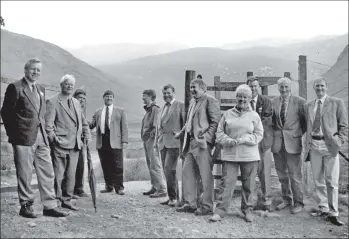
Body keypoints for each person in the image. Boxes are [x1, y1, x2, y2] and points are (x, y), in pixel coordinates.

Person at [1, 58, 68, 218]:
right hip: (22, 138)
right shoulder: (15, 88)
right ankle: (26, 205)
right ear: (26, 70)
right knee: (24, 173)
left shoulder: (41, 89)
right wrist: (14, 135)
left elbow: (41, 114)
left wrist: (45, 133)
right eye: (33, 69)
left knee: (48, 171)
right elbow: (6, 113)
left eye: (38, 70)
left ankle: (49, 206)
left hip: (41, 137)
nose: (36, 72)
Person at [209, 84, 263, 223]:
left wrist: (246, 139)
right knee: (227, 183)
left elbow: (259, 134)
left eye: (245, 97)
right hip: (230, 154)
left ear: (250, 98)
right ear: (236, 97)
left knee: (249, 184)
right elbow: (219, 132)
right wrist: (228, 140)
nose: (242, 99)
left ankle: (247, 210)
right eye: (239, 96)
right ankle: (220, 211)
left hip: (249, 155)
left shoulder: (254, 115)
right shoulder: (227, 114)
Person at [303, 77, 348, 226]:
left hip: (329, 147)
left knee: (332, 181)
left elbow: (344, 126)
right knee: (318, 180)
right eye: (317, 86)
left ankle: (334, 213)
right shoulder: (309, 105)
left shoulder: (336, 103)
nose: (319, 89)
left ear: (326, 87)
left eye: (322, 86)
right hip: (314, 146)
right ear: (314, 88)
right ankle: (323, 208)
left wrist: (339, 142)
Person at [45, 74, 91, 211]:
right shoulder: (53, 102)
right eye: (67, 84)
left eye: (72, 84)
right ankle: (57, 202)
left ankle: (67, 200)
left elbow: (83, 122)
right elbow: (48, 125)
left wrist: (87, 135)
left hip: (75, 146)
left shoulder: (76, 103)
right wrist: (54, 140)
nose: (70, 86)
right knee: (58, 175)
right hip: (60, 145)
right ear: (61, 86)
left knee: (71, 176)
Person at [175, 78, 220, 216]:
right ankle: (190, 203)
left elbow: (215, 123)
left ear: (203, 88)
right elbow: (189, 122)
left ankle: (207, 206)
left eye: (195, 87)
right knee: (187, 171)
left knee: (205, 175)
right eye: (191, 87)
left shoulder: (210, 100)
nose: (192, 90)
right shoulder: (193, 101)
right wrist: (182, 132)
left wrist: (205, 139)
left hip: (202, 144)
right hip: (190, 143)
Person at [271, 77, 306, 214]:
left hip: (293, 142)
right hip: (278, 143)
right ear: (278, 88)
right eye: (281, 87)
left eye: (286, 87)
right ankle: (287, 199)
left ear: (290, 87)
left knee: (295, 174)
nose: (284, 89)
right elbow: (273, 122)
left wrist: (295, 134)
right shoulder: (273, 102)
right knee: (282, 174)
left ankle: (299, 202)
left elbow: (304, 123)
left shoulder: (300, 102)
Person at [89, 90, 128, 195]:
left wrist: (124, 141)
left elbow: (124, 127)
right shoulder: (98, 112)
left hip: (116, 142)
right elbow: (91, 125)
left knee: (118, 165)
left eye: (111, 97)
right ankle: (109, 186)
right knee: (105, 165)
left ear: (113, 98)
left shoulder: (120, 111)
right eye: (107, 96)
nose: (109, 98)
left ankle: (119, 187)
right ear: (103, 98)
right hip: (102, 141)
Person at [155, 84, 185, 206]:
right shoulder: (161, 109)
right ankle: (171, 196)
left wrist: (180, 134)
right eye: (164, 93)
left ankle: (174, 198)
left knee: (169, 169)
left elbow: (185, 123)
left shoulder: (180, 105)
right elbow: (159, 127)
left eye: (168, 92)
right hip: (163, 143)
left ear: (174, 93)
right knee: (166, 170)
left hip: (174, 142)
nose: (166, 95)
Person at [246, 76, 273, 211]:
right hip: (249, 145)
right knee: (251, 173)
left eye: (255, 86)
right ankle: (251, 202)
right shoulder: (244, 102)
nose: (253, 89)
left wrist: (251, 128)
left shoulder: (265, 101)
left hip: (263, 143)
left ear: (259, 87)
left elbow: (267, 120)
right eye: (251, 86)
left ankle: (267, 201)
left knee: (265, 173)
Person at [141, 89, 167, 198]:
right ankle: (155, 186)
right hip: (147, 140)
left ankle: (161, 189)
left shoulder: (155, 109)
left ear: (151, 97)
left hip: (152, 141)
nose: (143, 98)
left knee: (155, 164)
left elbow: (156, 127)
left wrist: (154, 140)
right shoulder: (149, 110)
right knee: (150, 163)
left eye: (145, 96)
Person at [73, 89, 89, 198]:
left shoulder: (81, 111)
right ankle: (69, 191)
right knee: (69, 167)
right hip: (69, 142)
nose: (82, 100)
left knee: (80, 166)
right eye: (80, 98)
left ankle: (79, 189)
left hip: (79, 142)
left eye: (84, 99)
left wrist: (86, 135)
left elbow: (84, 125)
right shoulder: (71, 108)